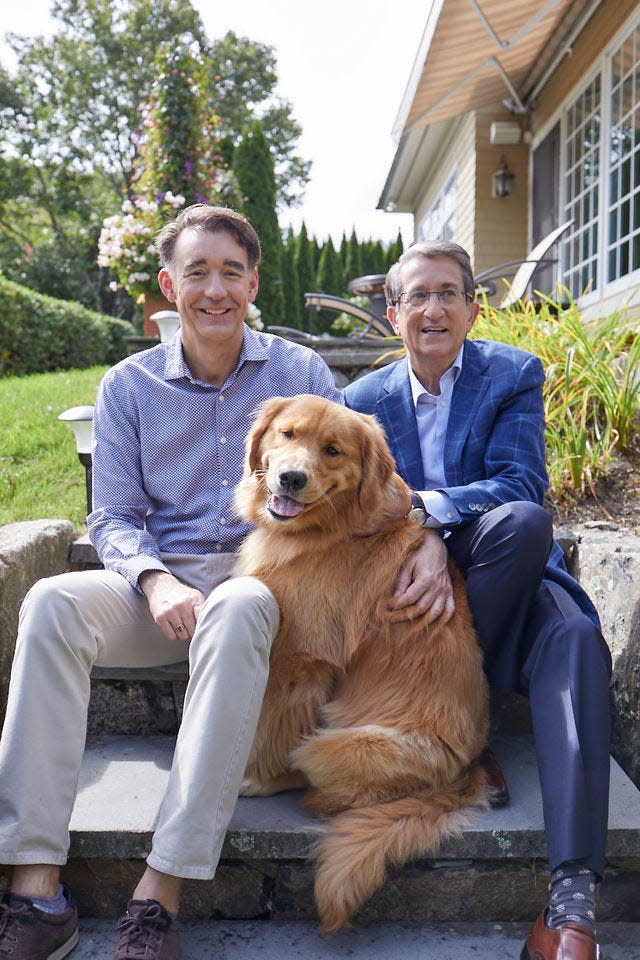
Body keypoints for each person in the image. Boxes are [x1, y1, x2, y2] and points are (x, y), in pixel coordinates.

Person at [0, 204, 344, 960]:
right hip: (158, 588)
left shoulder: (301, 374)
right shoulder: (127, 387)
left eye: (231, 273)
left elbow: (344, 485)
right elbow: (114, 517)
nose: (215, 289)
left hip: (266, 585)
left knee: (245, 601)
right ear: (168, 285)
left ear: (253, 283)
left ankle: (161, 891)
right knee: (51, 601)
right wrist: (155, 581)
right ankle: (36, 889)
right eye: (197, 273)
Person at [343, 239, 612, 960]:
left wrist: (429, 518)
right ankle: (463, 735)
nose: (433, 309)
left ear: (471, 306)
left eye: (448, 294)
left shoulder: (512, 374)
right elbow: (358, 514)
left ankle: (573, 910)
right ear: (392, 312)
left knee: (570, 625)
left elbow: (522, 487)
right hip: (416, 608)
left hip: (510, 573)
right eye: (417, 296)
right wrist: (418, 539)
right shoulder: (360, 404)